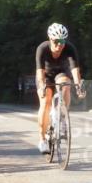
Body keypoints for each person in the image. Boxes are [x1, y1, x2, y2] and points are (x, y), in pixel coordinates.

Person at [35, 23, 84, 153]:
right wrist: (41, 87)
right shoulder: (42, 48)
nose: (59, 45)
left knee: (66, 85)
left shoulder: (69, 48)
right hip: (45, 75)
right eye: (56, 41)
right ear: (50, 39)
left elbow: (74, 70)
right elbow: (40, 72)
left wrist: (78, 86)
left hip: (61, 73)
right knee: (46, 102)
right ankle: (42, 139)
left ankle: (62, 117)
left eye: (62, 41)